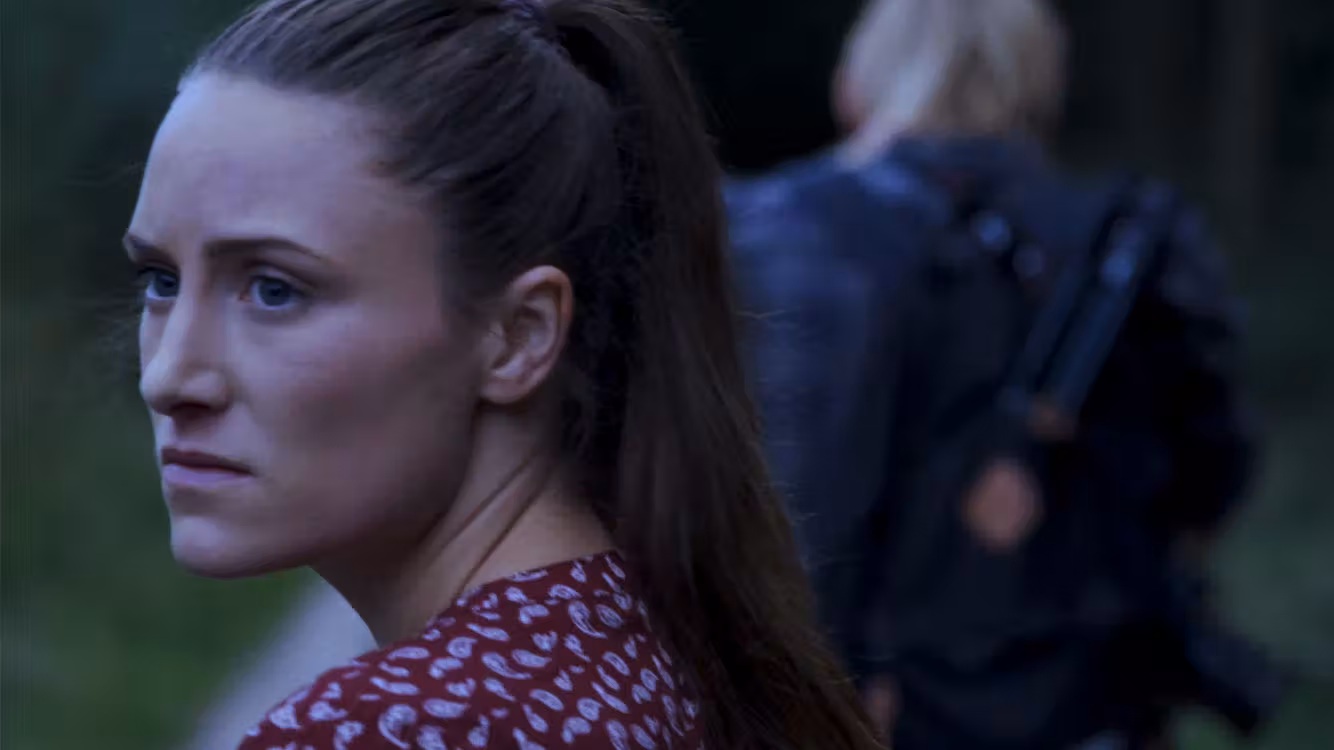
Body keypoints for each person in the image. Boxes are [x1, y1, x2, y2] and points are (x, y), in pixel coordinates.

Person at [122, 0, 880, 748]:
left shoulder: (399, 729)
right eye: (160, 280)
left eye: (275, 290)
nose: (170, 378)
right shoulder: (660, 659)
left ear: (519, 336)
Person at [726, 0, 1273, 748]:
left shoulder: (772, 231)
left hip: (848, 706)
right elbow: (1212, 476)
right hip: (1089, 705)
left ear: (854, 83)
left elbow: (760, 499)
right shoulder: (1133, 242)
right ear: (1043, 83)